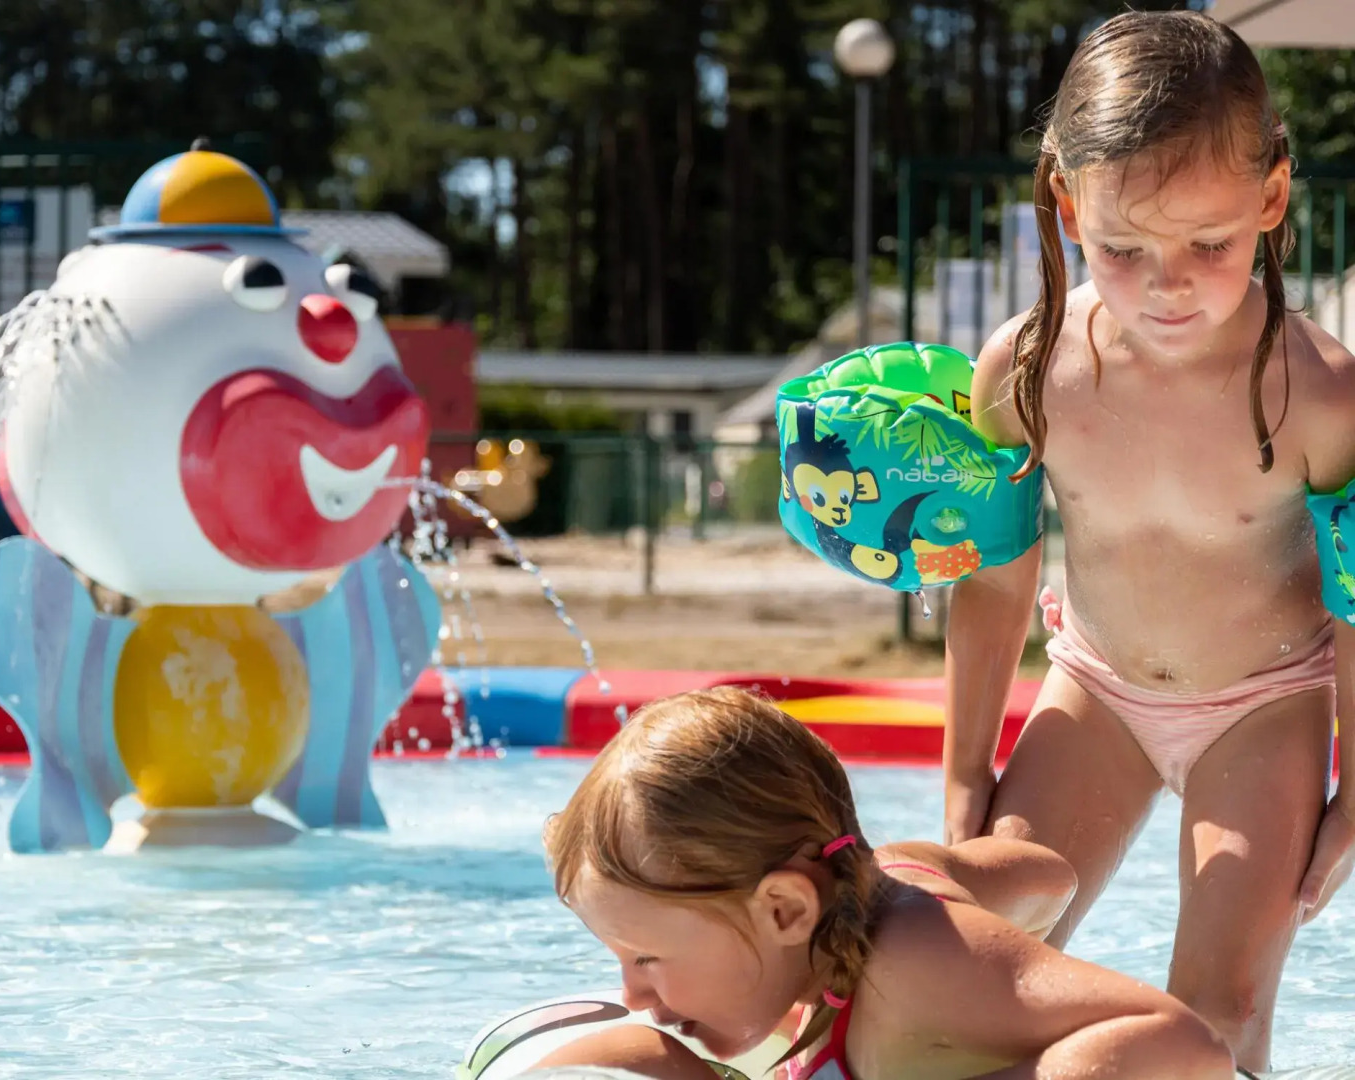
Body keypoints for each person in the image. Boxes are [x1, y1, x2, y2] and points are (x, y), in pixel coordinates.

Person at [941, 9, 1355, 1072]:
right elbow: (994, 583)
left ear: (1272, 198)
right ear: (1067, 204)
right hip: (1097, 694)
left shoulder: (1321, 393)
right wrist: (965, 774)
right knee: (967, 969)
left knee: (1218, 1016)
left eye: (1209, 245)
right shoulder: (1027, 371)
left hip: (1266, 705)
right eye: (1122, 249)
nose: (1168, 283)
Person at [536, 687, 1233, 1079]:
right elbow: (1049, 876)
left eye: (646, 957)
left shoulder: (913, 963)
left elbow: (1182, 1045)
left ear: (784, 911)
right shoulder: (885, 882)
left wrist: (973, 957)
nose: (632, 994)